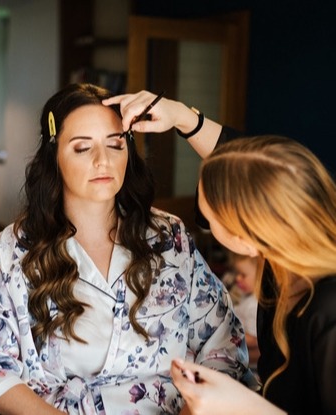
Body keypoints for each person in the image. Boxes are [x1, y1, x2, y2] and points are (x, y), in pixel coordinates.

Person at [0, 83, 255, 414]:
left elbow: (224, 346)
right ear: (55, 158)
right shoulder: (14, 251)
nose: (102, 161)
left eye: (115, 145)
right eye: (82, 148)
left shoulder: (169, 237)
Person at [103, 90, 336, 414]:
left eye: (208, 219)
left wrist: (240, 404)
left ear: (247, 241)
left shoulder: (328, 313)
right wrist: (182, 117)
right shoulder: (278, 266)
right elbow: (251, 170)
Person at [228, 252, 260, 368]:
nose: (237, 278)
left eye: (243, 275)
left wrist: (227, 337)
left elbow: (254, 339)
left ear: (260, 276)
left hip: (250, 363)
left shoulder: (254, 305)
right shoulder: (246, 297)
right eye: (237, 273)